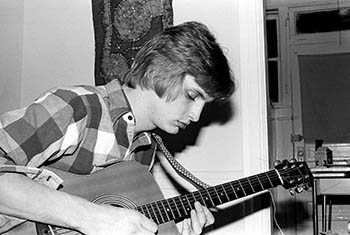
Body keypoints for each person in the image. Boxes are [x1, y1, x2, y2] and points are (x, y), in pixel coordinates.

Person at [0, 21, 235, 235]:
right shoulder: (78, 107)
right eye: (192, 95)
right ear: (160, 70)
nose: (196, 116)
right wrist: (90, 217)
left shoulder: (143, 151)